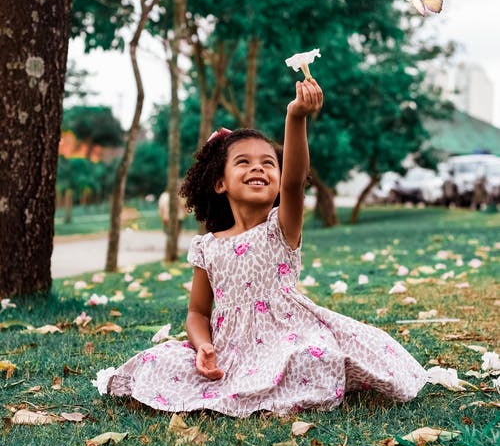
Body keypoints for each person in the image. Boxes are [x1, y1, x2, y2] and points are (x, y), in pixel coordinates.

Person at [93, 78, 427, 416]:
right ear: (219, 183)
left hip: (287, 340)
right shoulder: (207, 247)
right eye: (243, 162)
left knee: (314, 358)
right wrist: (203, 346)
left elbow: (296, 180)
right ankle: (243, 387)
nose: (258, 167)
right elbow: (197, 313)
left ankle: (273, 389)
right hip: (228, 351)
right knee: (159, 359)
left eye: (269, 163)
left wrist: (296, 117)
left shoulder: (281, 227)